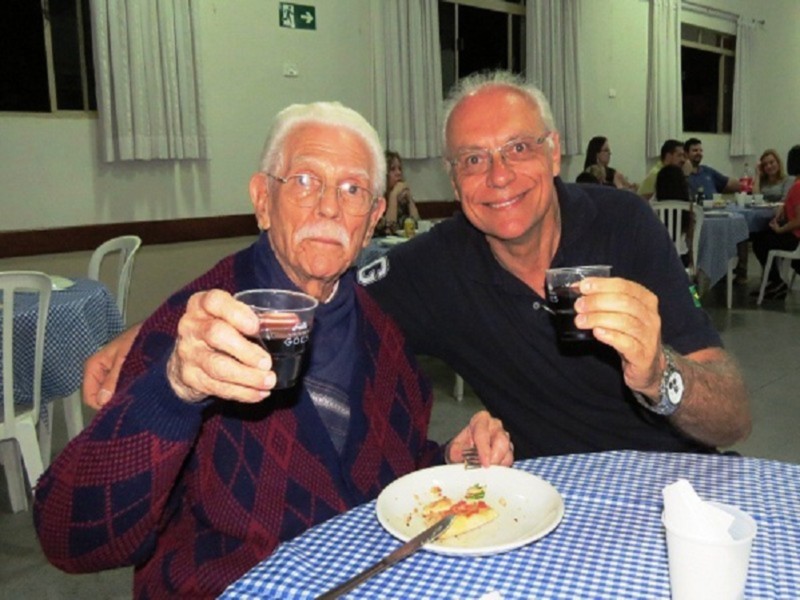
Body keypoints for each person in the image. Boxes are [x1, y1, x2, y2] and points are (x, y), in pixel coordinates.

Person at [82, 72, 751, 461]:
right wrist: (154, 328)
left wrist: (661, 376)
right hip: (547, 503)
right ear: (454, 182)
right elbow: (304, 279)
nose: (498, 175)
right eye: (473, 159)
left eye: (518, 148)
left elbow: (734, 417)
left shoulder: (622, 222)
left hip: (676, 485)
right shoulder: (433, 267)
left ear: (555, 152)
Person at [34, 101, 513, 599]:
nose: (329, 207)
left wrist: (448, 458)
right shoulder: (195, 333)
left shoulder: (384, 334)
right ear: (263, 199)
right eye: (305, 181)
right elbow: (71, 540)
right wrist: (172, 390)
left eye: (352, 189)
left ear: (372, 219)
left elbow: (387, 471)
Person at [751, 149, 800, 300]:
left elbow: (799, 220)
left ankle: (776, 281)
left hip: (796, 237)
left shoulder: (796, 186)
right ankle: (775, 281)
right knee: (762, 237)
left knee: (759, 241)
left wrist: (780, 230)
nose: (769, 166)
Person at [378, 150, 420, 235]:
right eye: (392, 169)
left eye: (400, 169)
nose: (398, 173)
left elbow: (417, 226)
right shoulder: (377, 201)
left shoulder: (402, 198)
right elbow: (388, 230)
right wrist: (393, 195)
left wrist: (410, 199)